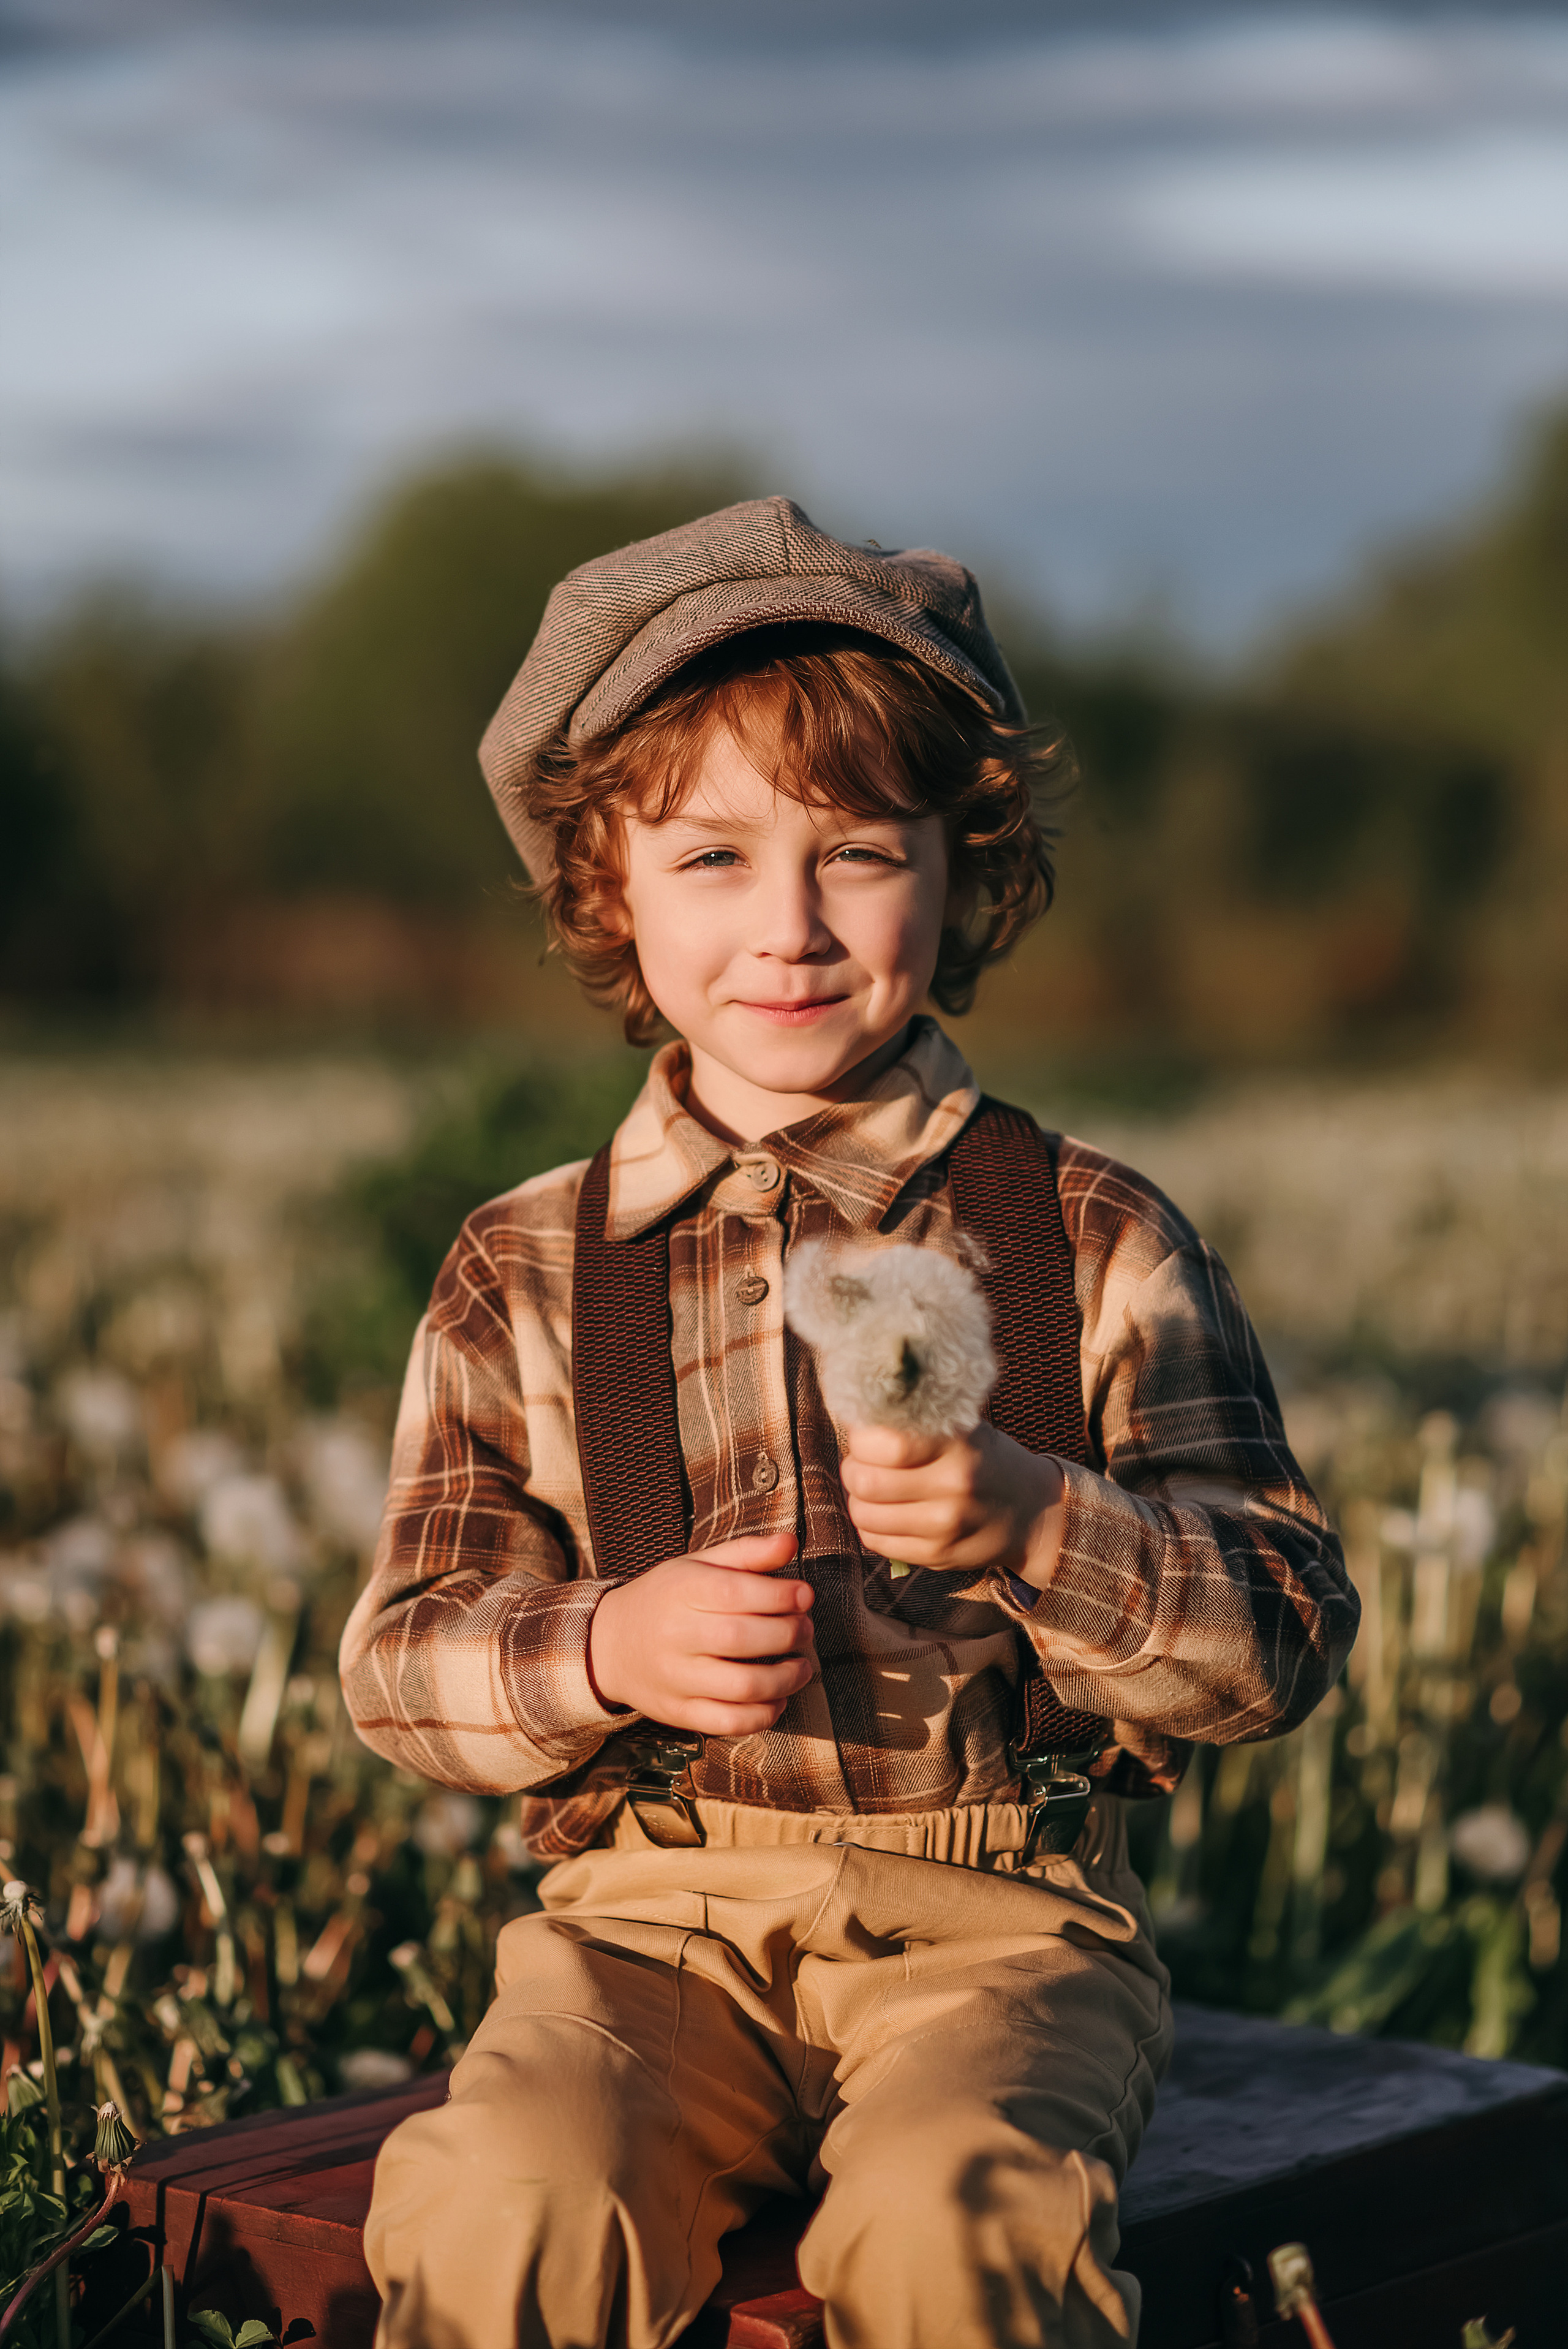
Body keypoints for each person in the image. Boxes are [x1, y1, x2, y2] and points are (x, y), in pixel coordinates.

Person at [340, 497, 1357, 2349]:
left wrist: (1047, 1520)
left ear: (964, 876)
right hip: (644, 1920)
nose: (789, 927)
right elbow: (401, 1665)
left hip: (1011, 1926)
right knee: (511, 2201)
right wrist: (604, 1645)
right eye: (712, 857)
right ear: (607, 892)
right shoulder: (524, 1269)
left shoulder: (1088, 1229)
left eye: (858, 853)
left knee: (956, 2225)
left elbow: (1281, 1635)